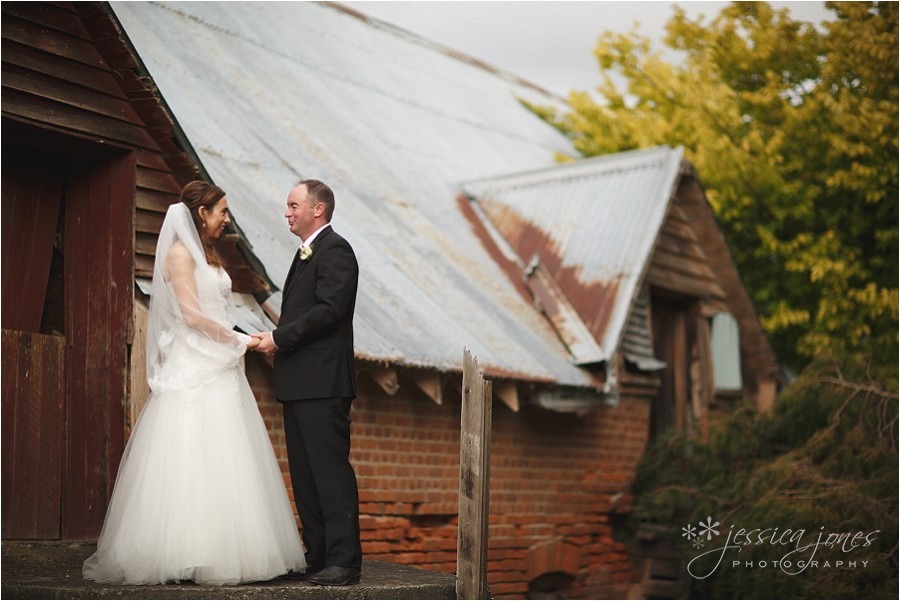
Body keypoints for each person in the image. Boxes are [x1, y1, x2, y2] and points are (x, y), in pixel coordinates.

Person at [83, 181, 306, 586]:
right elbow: (191, 316)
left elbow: (214, 308)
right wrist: (243, 339)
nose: (226, 218)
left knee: (227, 453)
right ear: (201, 213)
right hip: (196, 363)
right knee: (190, 449)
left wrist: (241, 339)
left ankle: (225, 546)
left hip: (219, 362)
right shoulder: (180, 255)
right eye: (221, 211)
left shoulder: (209, 253)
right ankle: (185, 551)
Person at [252, 179, 362, 587]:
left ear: (318, 209)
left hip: (324, 382)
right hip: (299, 382)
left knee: (329, 472)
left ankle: (344, 561)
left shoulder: (336, 250)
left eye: (293, 205)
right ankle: (317, 556)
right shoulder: (303, 255)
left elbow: (330, 310)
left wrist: (279, 338)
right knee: (305, 474)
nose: (287, 212)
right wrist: (278, 342)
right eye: (287, 206)